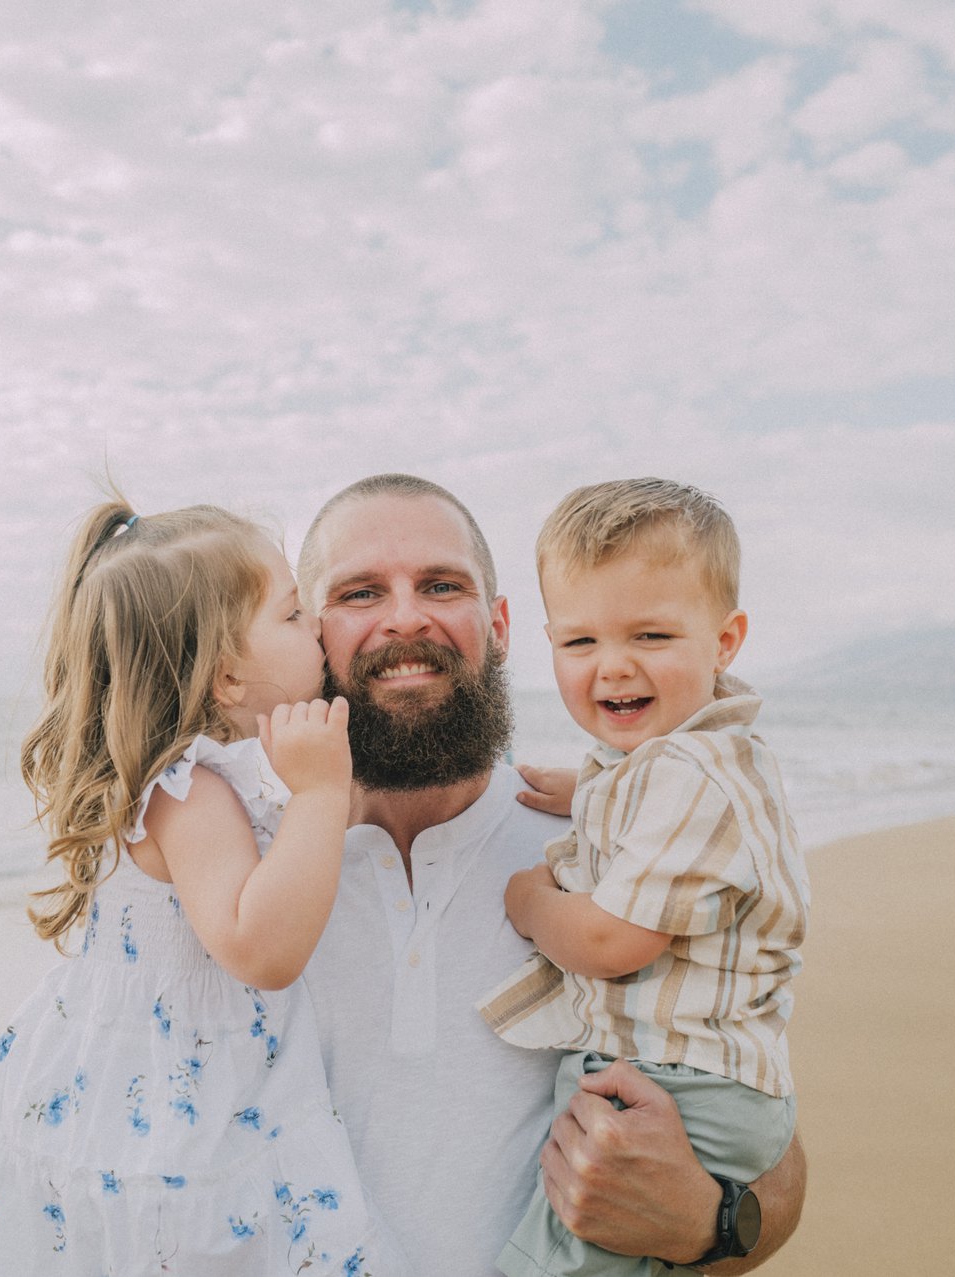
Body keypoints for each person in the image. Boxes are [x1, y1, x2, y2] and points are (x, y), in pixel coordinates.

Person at [294, 473, 806, 1276]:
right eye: (360, 592)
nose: (406, 616)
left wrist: (704, 1222)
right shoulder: (239, 881)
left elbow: (771, 1155)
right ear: (307, 636)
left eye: (442, 585)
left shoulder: (603, 850)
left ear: (499, 627)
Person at [0, 499, 400, 1277]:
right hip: (181, 1103)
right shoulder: (189, 792)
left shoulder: (181, 783)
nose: (315, 625)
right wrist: (320, 793)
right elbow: (261, 948)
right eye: (292, 612)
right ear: (228, 674)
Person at [478, 479, 809, 1277]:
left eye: (651, 635)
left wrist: (530, 901)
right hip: (686, 1077)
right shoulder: (670, 764)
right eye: (580, 642)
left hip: (681, 1086)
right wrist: (591, 791)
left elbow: (610, 940)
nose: (613, 665)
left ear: (725, 641)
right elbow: (655, 800)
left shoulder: (693, 774)